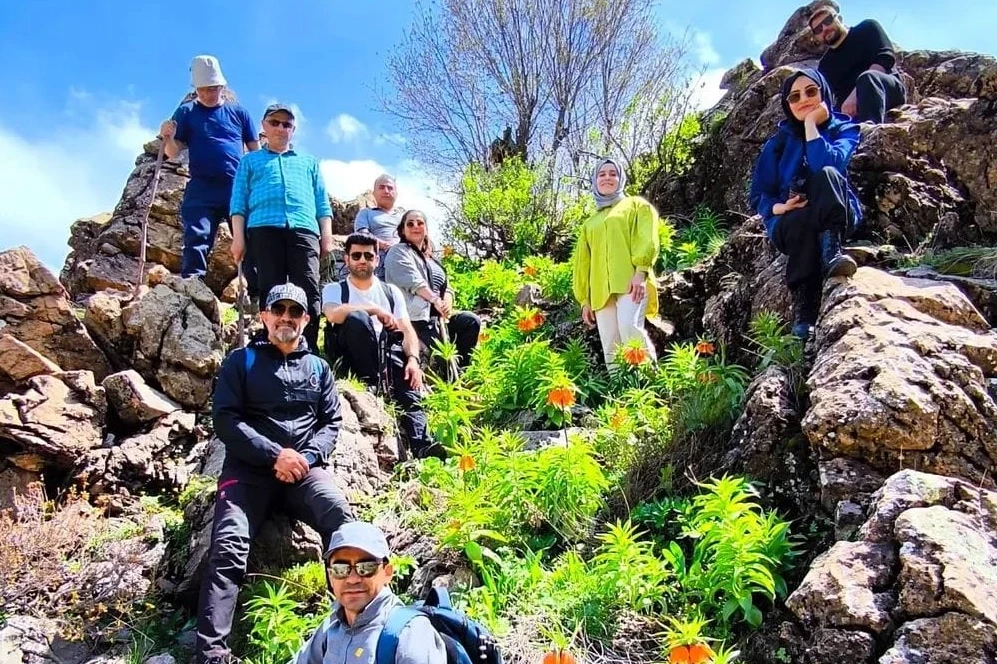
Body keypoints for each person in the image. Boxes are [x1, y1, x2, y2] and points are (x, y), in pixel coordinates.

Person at [197, 282, 354, 664]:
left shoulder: (318, 368)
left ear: (306, 319)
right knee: (228, 545)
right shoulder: (241, 361)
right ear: (264, 316)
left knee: (341, 519)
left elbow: (331, 423)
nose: (286, 318)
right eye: (278, 310)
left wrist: (305, 458)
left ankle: (352, 633)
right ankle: (212, 654)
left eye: (294, 311)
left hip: (304, 471)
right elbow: (226, 420)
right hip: (247, 473)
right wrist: (274, 455)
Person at [749, 68, 861, 339]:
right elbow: (759, 194)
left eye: (811, 92)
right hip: (790, 221)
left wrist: (811, 124)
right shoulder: (777, 143)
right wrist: (780, 207)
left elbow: (829, 163)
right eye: (794, 97)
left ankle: (831, 252)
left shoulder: (844, 128)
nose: (803, 100)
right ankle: (805, 309)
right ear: (787, 104)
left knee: (826, 174)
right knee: (798, 221)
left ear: (824, 94)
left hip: (834, 210)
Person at [323, 233, 443, 460]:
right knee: (357, 319)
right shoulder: (335, 289)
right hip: (351, 357)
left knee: (410, 391)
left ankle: (423, 447)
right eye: (356, 255)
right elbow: (333, 314)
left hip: (387, 352)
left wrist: (413, 360)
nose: (362, 260)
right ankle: (370, 384)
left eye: (368, 256)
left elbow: (407, 330)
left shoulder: (391, 292)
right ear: (346, 259)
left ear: (377, 260)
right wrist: (374, 310)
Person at [229, 103, 335, 352]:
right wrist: (238, 238)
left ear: (293, 129)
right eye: (274, 122)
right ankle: (272, 347)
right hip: (262, 228)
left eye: (286, 124)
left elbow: (322, 202)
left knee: (309, 288)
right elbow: (238, 201)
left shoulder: (309, 163)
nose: (280, 128)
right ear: (264, 127)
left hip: (304, 229)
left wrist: (327, 237)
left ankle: (307, 349)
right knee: (269, 288)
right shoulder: (250, 161)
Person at [159, 55, 260, 296]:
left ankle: (258, 293)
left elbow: (255, 151)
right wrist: (168, 137)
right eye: (202, 89)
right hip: (201, 187)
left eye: (212, 88)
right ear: (195, 89)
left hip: (236, 187)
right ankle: (192, 290)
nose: (207, 94)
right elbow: (172, 152)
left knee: (248, 238)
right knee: (197, 235)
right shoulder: (186, 112)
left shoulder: (239, 113)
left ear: (222, 86)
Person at [290, 521, 447, 664]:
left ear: (387, 572)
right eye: (340, 569)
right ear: (330, 577)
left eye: (366, 567)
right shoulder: (330, 627)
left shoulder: (410, 633)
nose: (352, 579)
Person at [572, 158, 660, 370]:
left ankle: (650, 381)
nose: (607, 178)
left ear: (621, 179)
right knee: (610, 345)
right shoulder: (589, 224)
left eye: (613, 174)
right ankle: (622, 388)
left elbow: (646, 238)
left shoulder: (636, 205)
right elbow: (582, 263)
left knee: (630, 328)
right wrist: (584, 300)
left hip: (630, 282)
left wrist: (640, 273)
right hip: (600, 292)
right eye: (602, 174)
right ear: (595, 181)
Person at [383, 210, 480, 375]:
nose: (415, 226)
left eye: (420, 223)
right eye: (410, 224)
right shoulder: (398, 252)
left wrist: (446, 305)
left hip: (437, 318)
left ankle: (463, 370)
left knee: (470, 322)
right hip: (415, 320)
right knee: (444, 361)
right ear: (402, 230)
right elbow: (414, 281)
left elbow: (447, 287)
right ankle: (452, 376)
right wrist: (435, 300)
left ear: (426, 229)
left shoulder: (432, 260)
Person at [810, 6, 906, 123]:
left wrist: (855, 96)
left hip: (886, 89)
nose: (825, 28)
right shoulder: (825, 64)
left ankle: (870, 130)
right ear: (816, 37)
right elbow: (829, 96)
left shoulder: (867, 28)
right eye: (818, 29)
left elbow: (885, 58)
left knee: (867, 78)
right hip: (850, 109)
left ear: (839, 18)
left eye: (828, 21)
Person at [354, 174, 402, 277]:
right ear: (374, 193)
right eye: (381, 187)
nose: (386, 191)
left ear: (396, 193)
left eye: (390, 188)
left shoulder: (404, 217)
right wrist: (385, 245)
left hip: (405, 255)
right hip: (380, 257)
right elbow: (362, 236)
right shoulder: (366, 213)